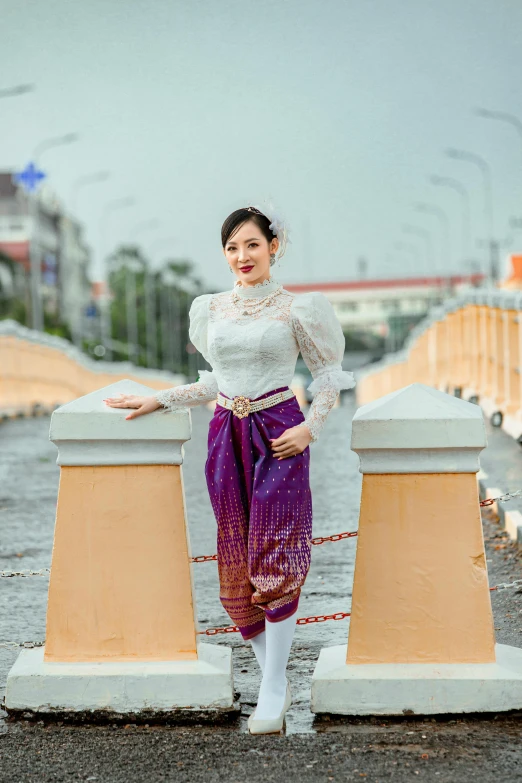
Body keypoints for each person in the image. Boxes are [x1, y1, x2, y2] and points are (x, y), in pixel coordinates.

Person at [103, 205, 355, 734]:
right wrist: (160, 400)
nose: (242, 257)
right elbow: (216, 382)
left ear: (273, 247)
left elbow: (327, 373)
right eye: (232, 248)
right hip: (225, 434)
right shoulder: (211, 308)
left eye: (252, 246)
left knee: (276, 552)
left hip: (279, 431)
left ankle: (274, 686)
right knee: (236, 556)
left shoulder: (297, 310)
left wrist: (313, 426)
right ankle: (275, 680)